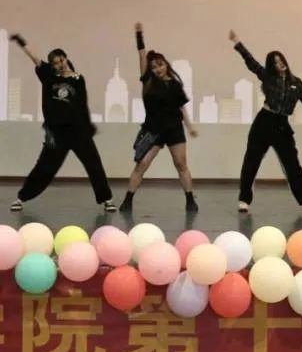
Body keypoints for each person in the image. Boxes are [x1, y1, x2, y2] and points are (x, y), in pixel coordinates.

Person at [229, 30, 302, 213]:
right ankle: (244, 199)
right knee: (251, 162)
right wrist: (238, 43)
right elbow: (251, 63)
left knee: (292, 164)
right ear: (272, 66)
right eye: (276, 62)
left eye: (281, 60)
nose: (280, 64)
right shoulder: (268, 77)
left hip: (282, 125)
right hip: (264, 121)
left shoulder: (297, 83)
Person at [9, 33, 116, 212]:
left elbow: (82, 105)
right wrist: (23, 44)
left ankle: (107, 199)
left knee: (94, 164)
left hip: (78, 131)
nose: (60, 64)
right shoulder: (49, 77)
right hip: (57, 133)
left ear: (66, 59)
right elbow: (36, 59)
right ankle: (21, 198)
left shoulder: (78, 79)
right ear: (52, 66)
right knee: (45, 167)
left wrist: (88, 127)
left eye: (61, 60)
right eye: (56, 63)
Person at [119, 22, 198, 213]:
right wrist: (139, 36)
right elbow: (141, 55)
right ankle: (128, 200)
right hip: (152, 130)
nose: (158, 69)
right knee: (142, 164)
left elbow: (181, 108)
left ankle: (190, 199)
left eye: (160, 65)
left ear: (166, 64)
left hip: (174, 129)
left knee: (181, 164)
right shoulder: (148, 81)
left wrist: (189, 126)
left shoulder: (175, 84)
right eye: (153, 67)